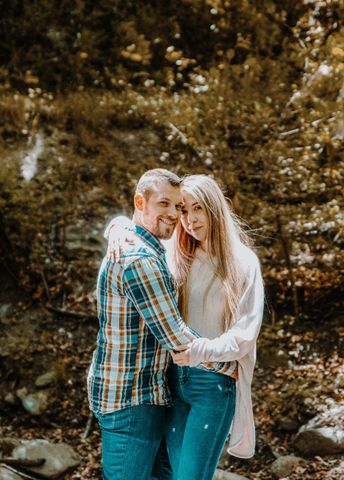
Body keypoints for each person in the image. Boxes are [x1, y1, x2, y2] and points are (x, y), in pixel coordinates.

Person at [107, 174, 264, 480]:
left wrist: (200, 351)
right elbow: (139, 230)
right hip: (173, 383)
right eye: (183, 210)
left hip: (213, 385)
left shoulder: (243, 262)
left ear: (214, 209)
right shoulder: (176, 256)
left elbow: (245, 335)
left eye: (198, 209)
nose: (189, 220)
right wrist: (116, 226)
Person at [87, 168, 198, 480]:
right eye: (164, 204)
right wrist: (233, 353)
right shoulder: (140, 261)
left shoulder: (143, 247)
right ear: (140, 201)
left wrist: (118, 225)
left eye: (179, 207)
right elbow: (177, 338)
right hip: (132, 401)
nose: (174, 214)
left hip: (138, 397)